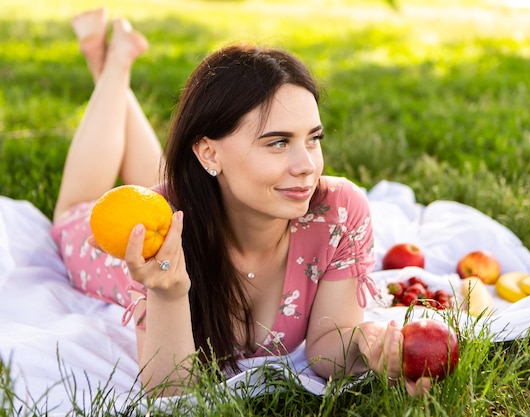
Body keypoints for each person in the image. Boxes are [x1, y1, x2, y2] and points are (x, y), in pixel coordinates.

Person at [52, 8, 430, 397]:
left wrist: (370, 347)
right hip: (133, 233)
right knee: (73, 210)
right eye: (278, 142)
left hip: (198, 192)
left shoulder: (337, 213)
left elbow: (326, 351)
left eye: (313, 138)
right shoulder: (157, 238)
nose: (307, 166)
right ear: (209, 154)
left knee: (159, 183)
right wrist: (167, 293)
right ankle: (111, 66)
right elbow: (169, 393)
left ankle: (113, 63)